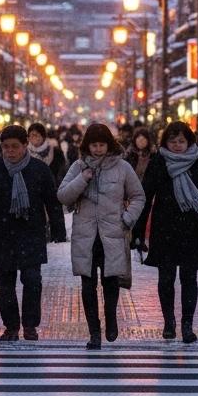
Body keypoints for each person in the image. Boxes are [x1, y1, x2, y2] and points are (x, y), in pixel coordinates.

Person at [0, 124, 66, 341]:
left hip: (31, 233)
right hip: (1, 235)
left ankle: (30, 325)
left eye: (14, 147)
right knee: (5, 286)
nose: (9, 151)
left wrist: (58, 229)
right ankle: (11, 326)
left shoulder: (39, 170)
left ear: (25, 146)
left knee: (32, 281)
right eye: (5, 147)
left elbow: (52, 201)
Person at [58, 123, 146, 350]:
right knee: (87, 285)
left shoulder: (122, 167)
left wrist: (127, 219)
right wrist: (83, 178)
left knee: (110, 282)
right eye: (94, 145)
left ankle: (111, 318)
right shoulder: (78, 166)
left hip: (112, 233)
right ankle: (94, 332)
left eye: (101, 145)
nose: (98, 149)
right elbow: (63, 195)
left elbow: (138, 196)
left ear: (109, 145)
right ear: (87, 146)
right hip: (86, 236)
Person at [138, 121, 198, 344]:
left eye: (181, 141)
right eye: (172, 141)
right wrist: (137, 231)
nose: (177, 146)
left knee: (189, 278)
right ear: (165, 142)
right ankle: (168, 321)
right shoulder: (158, 162)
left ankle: (187, 324)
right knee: (166, 278)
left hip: (192, 227)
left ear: (189, 142)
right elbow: (145, 196)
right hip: (165, 227)